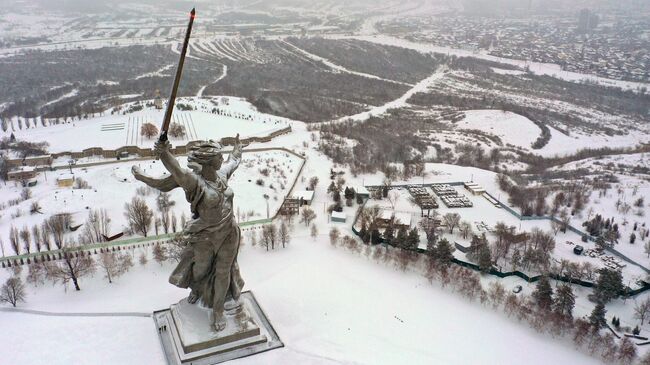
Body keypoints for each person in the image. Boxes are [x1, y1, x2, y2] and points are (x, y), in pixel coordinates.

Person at [132, 135, 245, 331]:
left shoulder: (222, 176)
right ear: (209, 162)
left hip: (229, 233)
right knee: (199, 270)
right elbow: (175, 170)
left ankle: (218, 310)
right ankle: (198, 289)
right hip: (205, 237)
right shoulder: (194, 182)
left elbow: (233, 161)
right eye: (219, 157)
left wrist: (237, 149)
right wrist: (164, 152)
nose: (222, 160)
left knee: (223, 272)